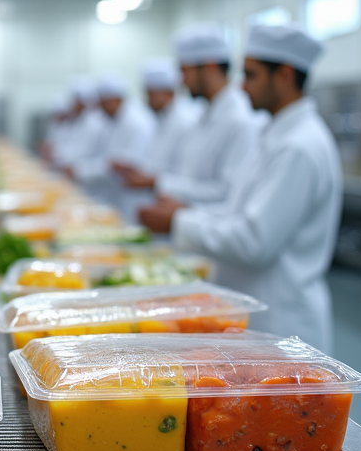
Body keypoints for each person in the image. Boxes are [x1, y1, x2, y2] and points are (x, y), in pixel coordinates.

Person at [138, 24, 342, 352]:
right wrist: (186, 212)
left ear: (285, 76)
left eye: (250, 75)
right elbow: (237, 211)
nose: (241, 86)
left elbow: (253, 241)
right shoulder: (274, 136)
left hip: (282, 322)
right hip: (259, 312)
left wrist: (178, 222)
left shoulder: (297, 147)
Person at [118, 24, 262, 206]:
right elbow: (188, 177)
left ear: (209, 67)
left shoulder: (240, 120)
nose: (180, 80)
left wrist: (158, 184)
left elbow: (229, 196)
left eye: (185, 71)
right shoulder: (203, 116)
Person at [72, 72, 155, 215]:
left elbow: (123, 166)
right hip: (115, 196)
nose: (100, 108)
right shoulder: (114, 120)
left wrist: (81, 170)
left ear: (114, 99)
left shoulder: (135, 122)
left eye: (103, 102)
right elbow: (109, 160)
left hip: (132, 199)